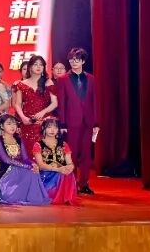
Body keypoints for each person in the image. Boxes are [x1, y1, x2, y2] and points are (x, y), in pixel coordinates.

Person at [56, 47, 98, 195]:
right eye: (71, 60)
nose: (74, 62)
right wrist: (62, 123)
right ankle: (72, 183)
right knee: (71, 153)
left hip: (88, 121)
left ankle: (84, 184)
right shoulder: (63, 79)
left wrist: (96, 123)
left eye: (77, 60)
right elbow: (62, 102)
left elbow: (95, 101)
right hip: (71, 122)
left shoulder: (91, 79)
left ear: (83, 61)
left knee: (86, 154)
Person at [0, 114, 50, 205]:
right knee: (28, 171)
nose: (13, 126)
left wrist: (33, 164)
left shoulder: (18, 139)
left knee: (33, 171)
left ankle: (30, 198)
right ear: (1, 126)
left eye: (14, 124)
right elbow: (6, 160)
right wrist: (26, 166)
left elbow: (25, 158)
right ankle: (13, 195)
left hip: (19, 168)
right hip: (5, 171)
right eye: (9, 124)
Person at [13, 55, 58, 153]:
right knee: (28, 150)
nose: (38, 67)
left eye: (41, 65)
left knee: (44, 151)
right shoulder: (21, 84)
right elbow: (17, 104)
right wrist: (23, 118)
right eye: (35, 64)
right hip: (27, 122)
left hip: (44, 123)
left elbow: (54, 103)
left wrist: (43, 112)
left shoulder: (48, 82)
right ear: (30, 67)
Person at [34, 118, 80, 205]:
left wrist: (70, 167)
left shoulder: (64, 144)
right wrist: (58, 169)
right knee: (61, 174)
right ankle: (55, 196)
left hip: (61, 171)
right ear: (43, 128)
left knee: (69, 173)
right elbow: (40, 165)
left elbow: (70, 162)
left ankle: (65, 197)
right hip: (46, 175)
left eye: (55, 127)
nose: (52, 130)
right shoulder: (38, 145)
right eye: (49, 127)